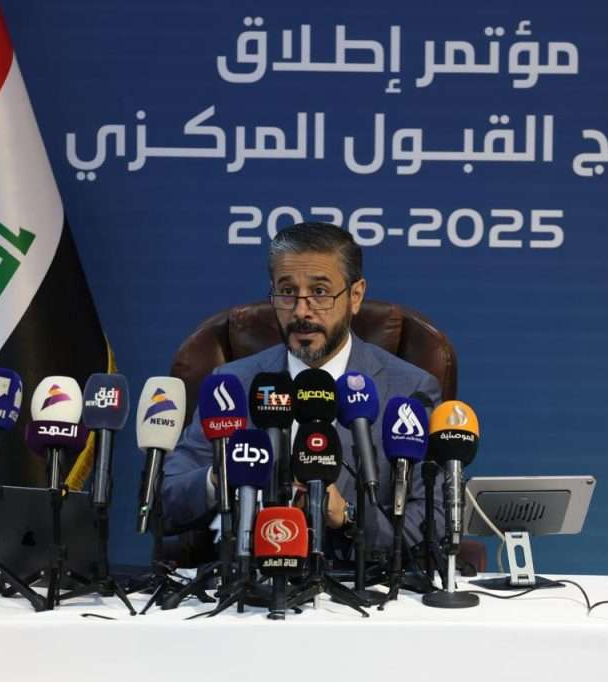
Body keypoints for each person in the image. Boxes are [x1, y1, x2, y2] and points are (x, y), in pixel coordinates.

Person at [161, 222, 443, 561]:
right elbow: (165, 499)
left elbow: (433, 523)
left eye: (320, 292)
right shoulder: (232, 384)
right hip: (250, 580)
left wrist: (347, 516)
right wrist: (221, 475)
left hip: (355, 581)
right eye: (287, 292)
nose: (301, 311)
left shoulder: (408, 389)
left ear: (355, 296)